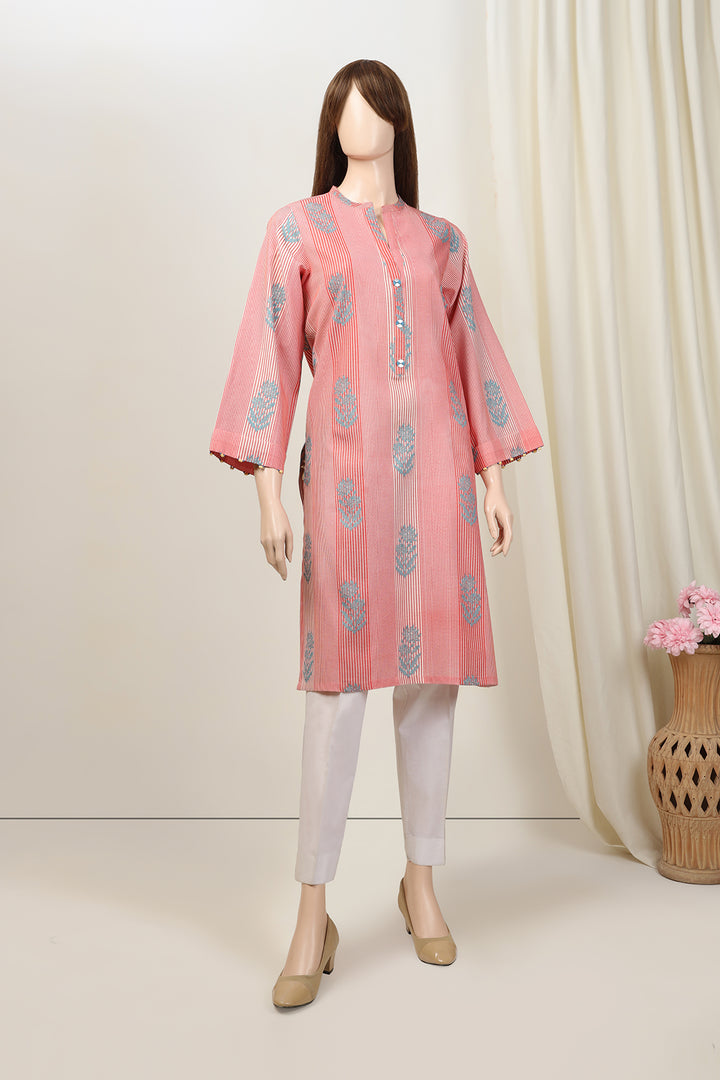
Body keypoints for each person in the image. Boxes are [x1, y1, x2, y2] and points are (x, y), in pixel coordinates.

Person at [209, 58, 543, 1009]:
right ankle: (312, 912)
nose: (360, 119)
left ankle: (420, 882)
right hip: (349, 488)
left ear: (397, 120)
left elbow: (470, 357)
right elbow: (272, 353)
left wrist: (493, 480)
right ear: (333, 126)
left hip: (439, 484)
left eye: (375, 104)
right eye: (345, 109)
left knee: (432, 687)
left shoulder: (443, 242)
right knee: (336, 693)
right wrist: (268, 493)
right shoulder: (297, 229)